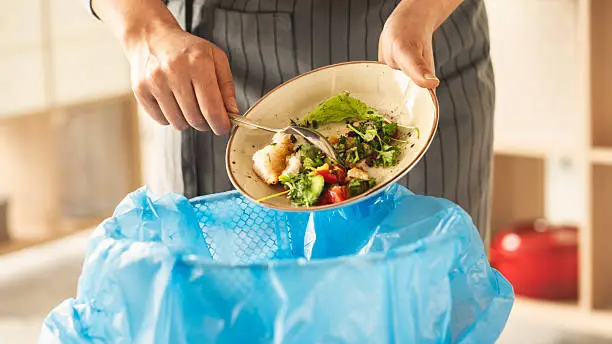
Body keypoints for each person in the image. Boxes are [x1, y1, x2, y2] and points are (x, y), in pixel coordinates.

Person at [88, 0, 494, 241]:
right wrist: (143, 29)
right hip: (200, 65)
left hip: (409, 55)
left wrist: (420, 12)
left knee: (420, 312)